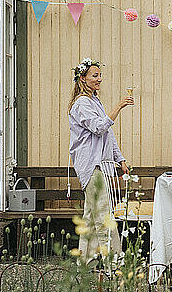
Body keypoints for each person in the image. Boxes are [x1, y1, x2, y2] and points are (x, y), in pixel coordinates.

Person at [68, 58, 134, 263]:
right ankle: (113, 260)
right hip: (90, 164)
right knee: (103, 213)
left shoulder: (95, 101)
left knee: (91, 214)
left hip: (102, 164)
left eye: (99, 75)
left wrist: (120, 159)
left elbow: (108, 134)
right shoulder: (81, 104)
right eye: (94, 75)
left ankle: (86, 260)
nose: (99, 79)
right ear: (83, 78)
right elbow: (99, 127)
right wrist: (119, 106)